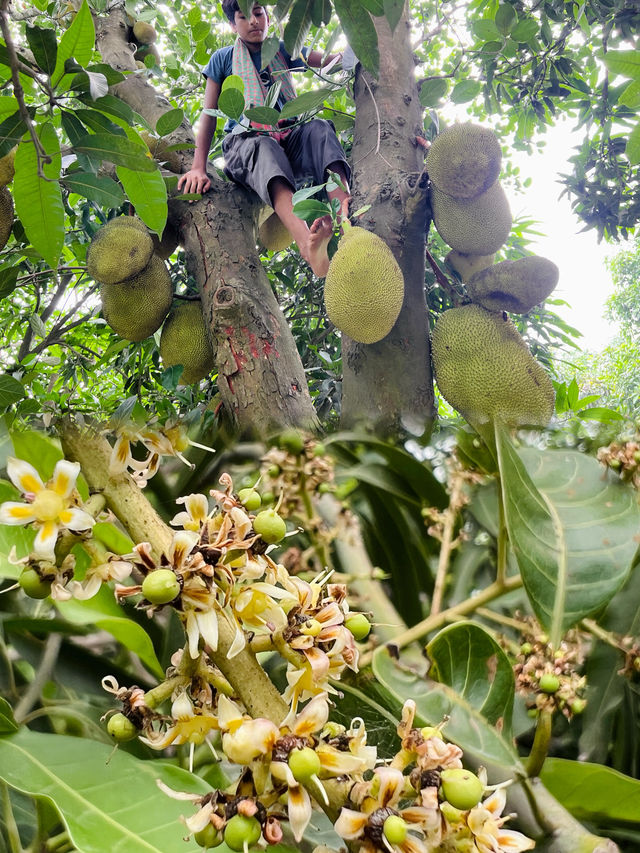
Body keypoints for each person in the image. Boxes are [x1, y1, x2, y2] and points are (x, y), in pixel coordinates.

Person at [177, 1, 351, 277]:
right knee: (265, 147)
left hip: (289, 138)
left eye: (258, 13)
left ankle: (345, 217)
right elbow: (209, 115)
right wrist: (198, 167)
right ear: (233, 26)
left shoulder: (283, 49)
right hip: (246, 145)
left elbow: (329, 61)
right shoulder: (222, 59)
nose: (253, 22)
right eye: (243, 17)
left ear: (268, 17)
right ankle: (307, 245)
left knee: (319, 128)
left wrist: (358, 54)